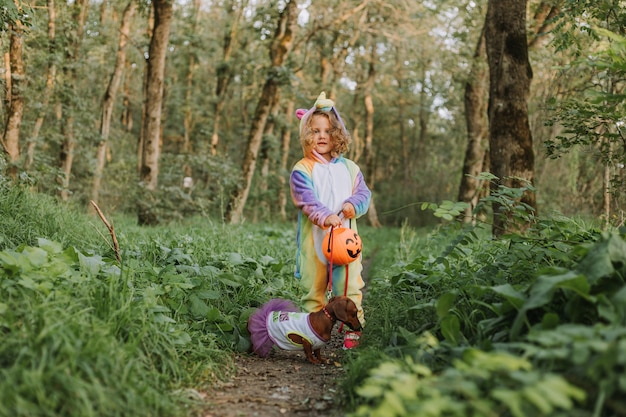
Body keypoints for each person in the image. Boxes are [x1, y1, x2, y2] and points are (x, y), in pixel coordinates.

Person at [289, 91, 371, 349]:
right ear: (306, 136)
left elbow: (363, 194)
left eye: (327, 131)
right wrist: (326, 216)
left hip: (345, 242)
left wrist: (351, 205)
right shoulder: (302, 169)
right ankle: (314, 332)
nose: (321, 136)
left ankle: (353, 329)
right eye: (314, 131)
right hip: (315, 243)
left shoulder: (350, 168)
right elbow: (306, 200)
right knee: (314, 288)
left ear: (338, 134)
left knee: (348, 284)